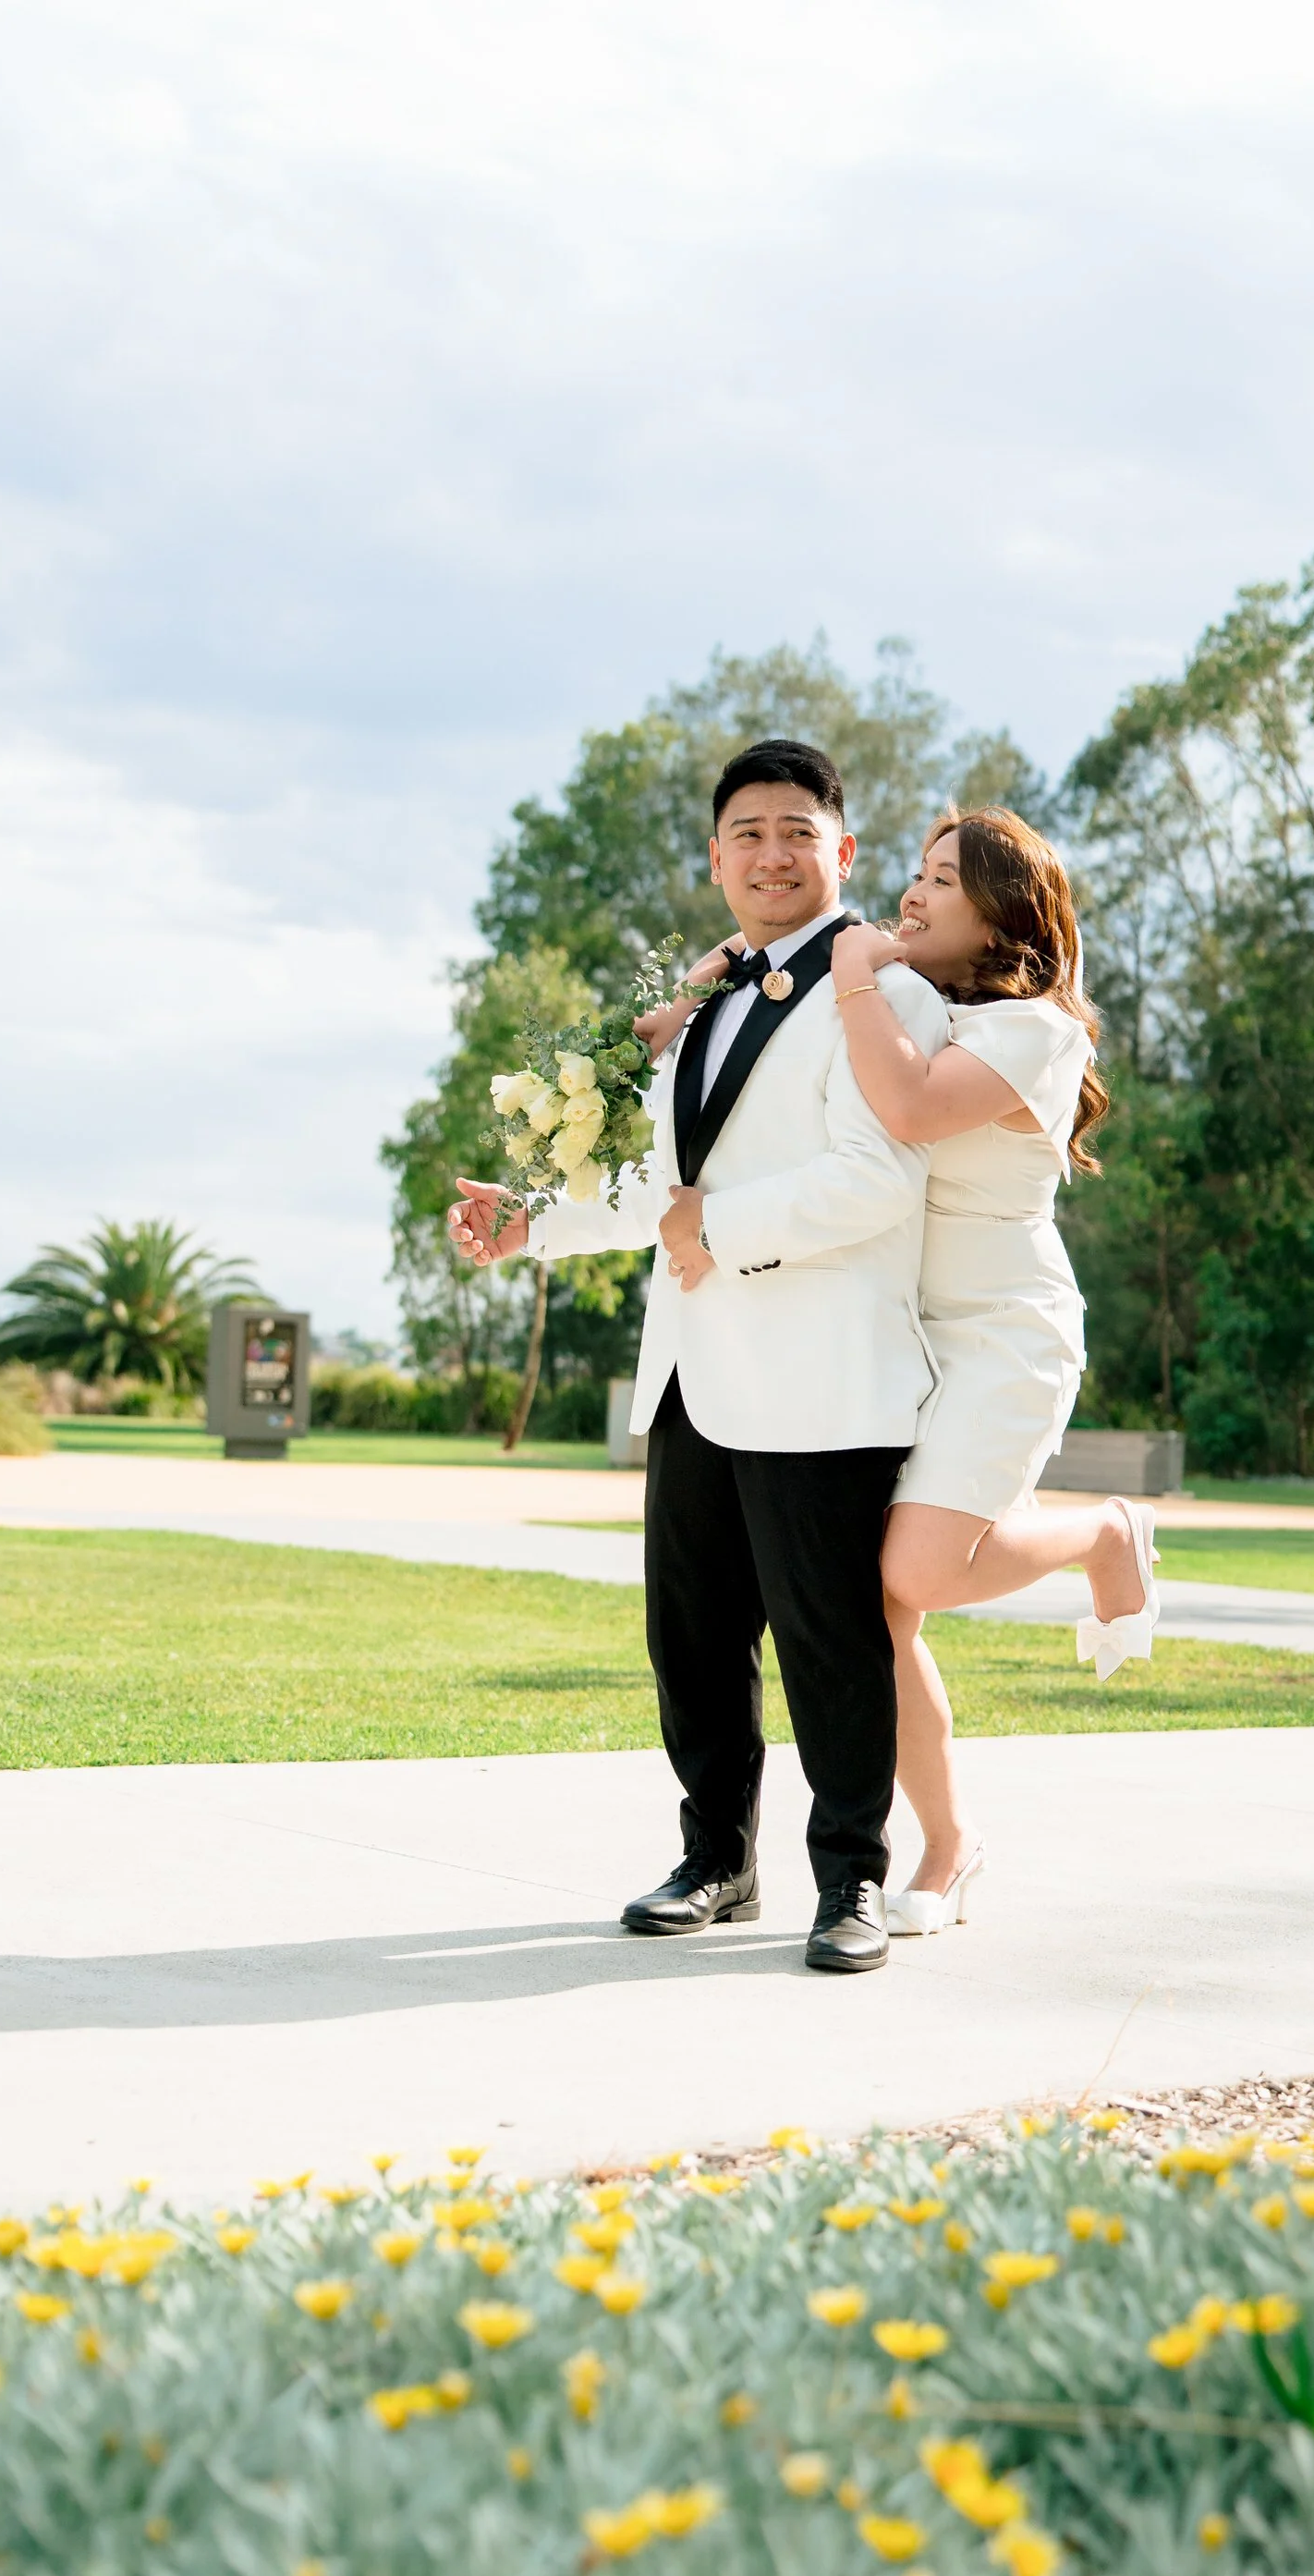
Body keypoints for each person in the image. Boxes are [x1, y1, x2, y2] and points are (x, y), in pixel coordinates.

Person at [446, 739, 949, 1976]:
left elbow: (878, 1179)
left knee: (830, 1640)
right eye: (747, 833)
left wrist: (713, 1229)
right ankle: (717, 1858)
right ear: (717, 855)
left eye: (795, 830)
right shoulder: (704, 999)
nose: (771, 853)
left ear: (844, 849)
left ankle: (853, 1881)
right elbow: (660, 1188)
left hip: (822, 1375)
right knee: (692, 1639)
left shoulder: (884, 989)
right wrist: (530, 1224)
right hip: (690, 1374)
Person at [640, 807, 1158, 1941]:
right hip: (907, 1340)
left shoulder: (1033, 1028)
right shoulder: (918, 1002)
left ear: (1002, 915)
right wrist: (722, 987)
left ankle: (1103, 1532)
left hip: (1001, 1333)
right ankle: (949, 1839)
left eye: (942, 883)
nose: (913, 899)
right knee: (879, 1604)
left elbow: (908, 1106)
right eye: (913, 876)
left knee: (914, 1568)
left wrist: (852, 972)